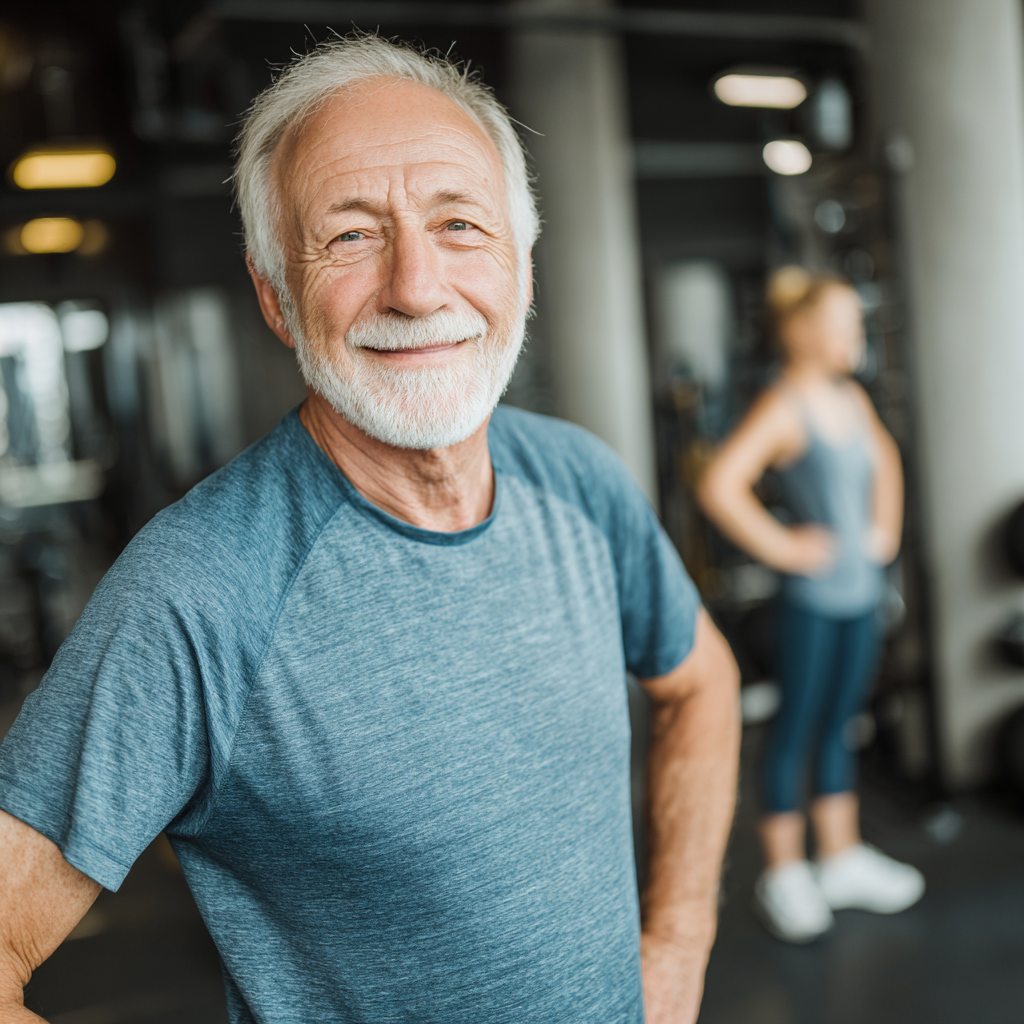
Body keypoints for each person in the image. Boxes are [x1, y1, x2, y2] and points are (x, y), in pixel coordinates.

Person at [0, 35, 741, 1024]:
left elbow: (702, 680)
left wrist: (677, 947)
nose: (418, 286)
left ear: (521, 264)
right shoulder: (198, 591)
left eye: (460, 224)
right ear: (276, 297)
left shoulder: (579, 478)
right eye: (350, 236)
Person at [698, 266, 924, 944]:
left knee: (842, 723)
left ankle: (840, 856)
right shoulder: (785, 405)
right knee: (796, 726)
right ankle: (784, 873)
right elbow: (719, 483)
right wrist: (785, 547)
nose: (855, 334)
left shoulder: (851, 400)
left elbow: (887, 463)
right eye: (844, 322)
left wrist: (881, 533)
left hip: (860, 595)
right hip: (811, 602)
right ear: (801, 331)